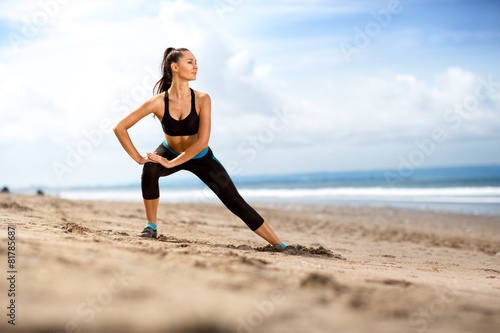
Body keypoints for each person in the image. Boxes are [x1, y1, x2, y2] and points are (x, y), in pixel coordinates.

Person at [113, 47, 288, 248]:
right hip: (169, 151)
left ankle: (279, 244)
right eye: (190, 62)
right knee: (150, 168)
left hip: (201, 157)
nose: (196, 66)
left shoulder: (202, 99)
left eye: (196, 62)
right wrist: (138, 158)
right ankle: (151, 227)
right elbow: (120, 127)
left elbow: (202, 142)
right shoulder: (159, 102)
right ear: (174, 67)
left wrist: (171, 164)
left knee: (235, 202)